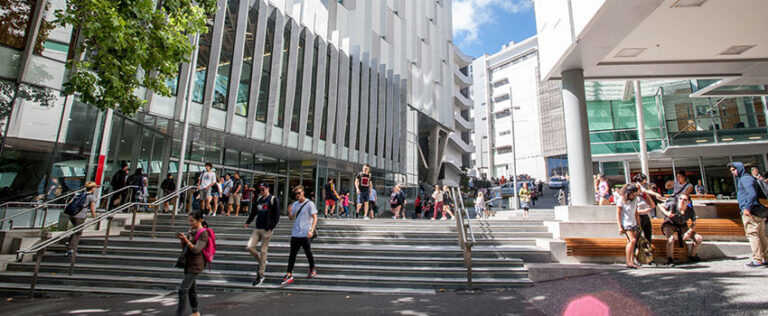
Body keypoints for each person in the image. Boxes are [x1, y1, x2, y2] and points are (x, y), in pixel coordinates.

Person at [728, 162, 768, 268]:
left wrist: (747, 208)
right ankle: (766, 257)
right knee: (761, 235)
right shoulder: (748, 178)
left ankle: (757, 259)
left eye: (733, 170)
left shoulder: (745, 179)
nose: (733, 172)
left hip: (751, 212)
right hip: (757, 211)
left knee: (753, 235)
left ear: (739, 169)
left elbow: (752, 194)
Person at [244, 182, 281, 286]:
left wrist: (271, 227)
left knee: (263, 250)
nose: (261, 191)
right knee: (249, 247)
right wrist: (248, 222)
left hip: (267, 229)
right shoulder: (259, 200)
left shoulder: (273, 199)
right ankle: (262, 260)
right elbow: (253, 212)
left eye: (263, 189)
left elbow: (277, 215)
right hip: (257, 228)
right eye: (260, 189)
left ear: (268, 189)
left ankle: (260, 274)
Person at [281, 185, 318, 286]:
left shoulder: (310, 204)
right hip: (295, 233)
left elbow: (315, 217)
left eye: (299, 193)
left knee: (308, 253)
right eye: (295, 194)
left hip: (306, 233)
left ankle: (312, 269)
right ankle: (289, 274)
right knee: (292, 254)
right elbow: (291, 218)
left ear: (303, 193)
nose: (297, 195)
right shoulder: (295, 204)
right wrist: (289, 211)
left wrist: (311, 230)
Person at [175, 210, 209, 316]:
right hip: (188, 262)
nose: (190, 223)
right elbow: (186, 248)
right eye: (189, 221)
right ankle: (195, 311)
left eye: (192, 221)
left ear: (200, 220)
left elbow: (196, 250)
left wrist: (186, 240)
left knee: (183, 289)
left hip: (196, 264)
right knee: (191, 289)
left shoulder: (203, 233)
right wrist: (183, 240)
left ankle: (179, 313)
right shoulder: (191, 231)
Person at [659, 194, 703, 267]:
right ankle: (670, 259)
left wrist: (689, 232)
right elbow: (660, 205)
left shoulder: (690, 211)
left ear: (688, 202)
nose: (682, 201)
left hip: (682, 226)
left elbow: (694, 223)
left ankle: (692, 255)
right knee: (671, 239)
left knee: (699, 239)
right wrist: (666, 213)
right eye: (680, 199)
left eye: (684, 200)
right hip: (669, 224)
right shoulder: (672, 205)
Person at [65, 181, 98, 256]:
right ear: (92, 188)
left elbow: (70, 203)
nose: (95, 189)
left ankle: (69, 241)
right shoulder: (91, 197)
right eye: (95, 187)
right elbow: (92, 208)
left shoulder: (80, 194)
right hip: (80, 216)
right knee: (78, 232)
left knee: (75, 230)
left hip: (72, 215)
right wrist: (94, 217)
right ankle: (71, 249)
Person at [616, 184, 642, 269]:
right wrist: (619, 226)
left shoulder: (635, 200)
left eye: (635, 194)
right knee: (632, 240)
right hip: (626, 223)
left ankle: (631, 260)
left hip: (633, 222)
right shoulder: (621, 200)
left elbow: (636, 212)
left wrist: (639, 223)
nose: (634, 196)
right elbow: (618, 214)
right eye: (633, 194)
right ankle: (628, 261)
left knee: (631, 242)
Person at [632, 173, 662, 246]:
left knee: (648, 235)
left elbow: (653, 206)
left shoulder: (644, 194)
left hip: (645, 217)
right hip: (638, 217)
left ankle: (647, 252)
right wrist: (655, 194)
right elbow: (633, 211)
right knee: (637, 237)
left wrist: (648, 196)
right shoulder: (636, 193)